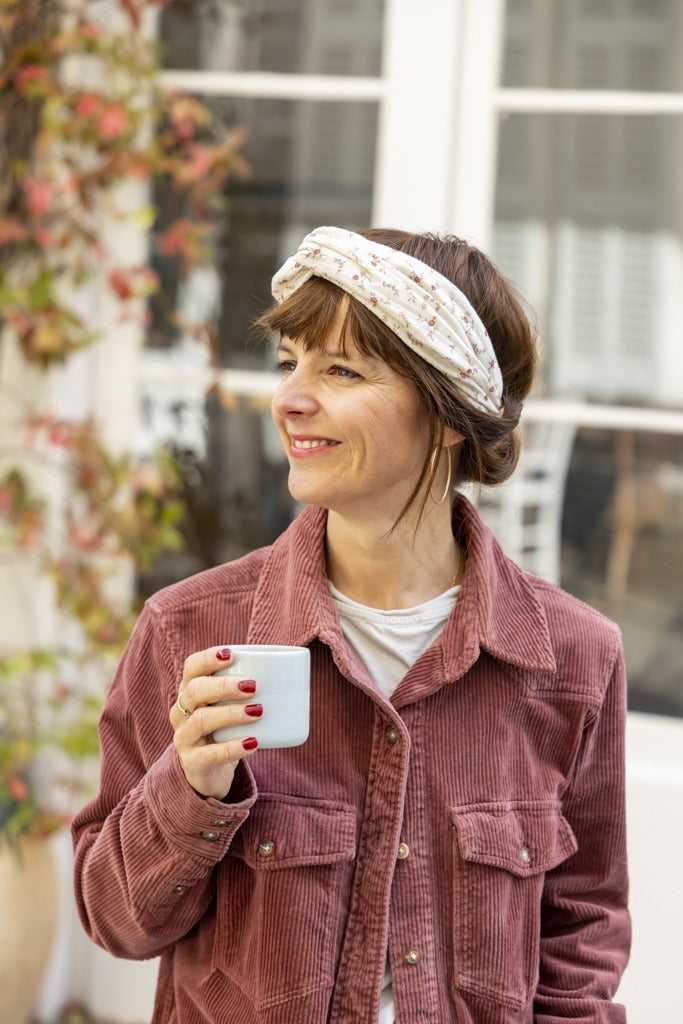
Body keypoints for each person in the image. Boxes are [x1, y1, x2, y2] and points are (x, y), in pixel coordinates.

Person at [72, 226, 631, 1024]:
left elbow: (582, 935)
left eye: (340, 370)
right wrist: (189, 788)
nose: (290, 399)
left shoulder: (573, 659)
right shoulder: (188, 631)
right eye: (289, 363)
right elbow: (116, 923)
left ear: (449, 413)